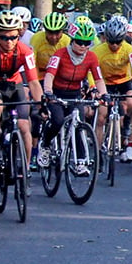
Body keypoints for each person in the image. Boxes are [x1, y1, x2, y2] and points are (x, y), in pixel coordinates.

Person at [0, 11, 44, 168]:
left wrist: (41, 105)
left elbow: (33, 82)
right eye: (4, 37)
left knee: (24, 124)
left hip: (14, 85)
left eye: (13, 37)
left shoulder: (25, 51)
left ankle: (26, 167)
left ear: (19, 34)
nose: (9, 42)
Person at [40, 21, 108, 173]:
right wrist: (48, 92)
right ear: (72, 40)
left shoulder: (91, 57)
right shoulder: (60, 54)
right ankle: (45, 145)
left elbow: (98, 79)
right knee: (57, 121)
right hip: (57, 93)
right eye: (79, 42)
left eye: (87, 43)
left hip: (75, 94)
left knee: (79, 125)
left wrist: (104, 94)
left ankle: (81, 162)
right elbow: (50, 74)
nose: (83, 46)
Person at [92, 17, 132, 162]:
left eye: (118, 42)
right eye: (111, 42)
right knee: (101, 116)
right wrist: (93, 87)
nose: (114, 45)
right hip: (106, 83)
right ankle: (98, 150)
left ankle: (127, 126)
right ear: (106, 39)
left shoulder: (129, 49)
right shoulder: (98, 51)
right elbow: (91, 72)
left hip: (124, 82)